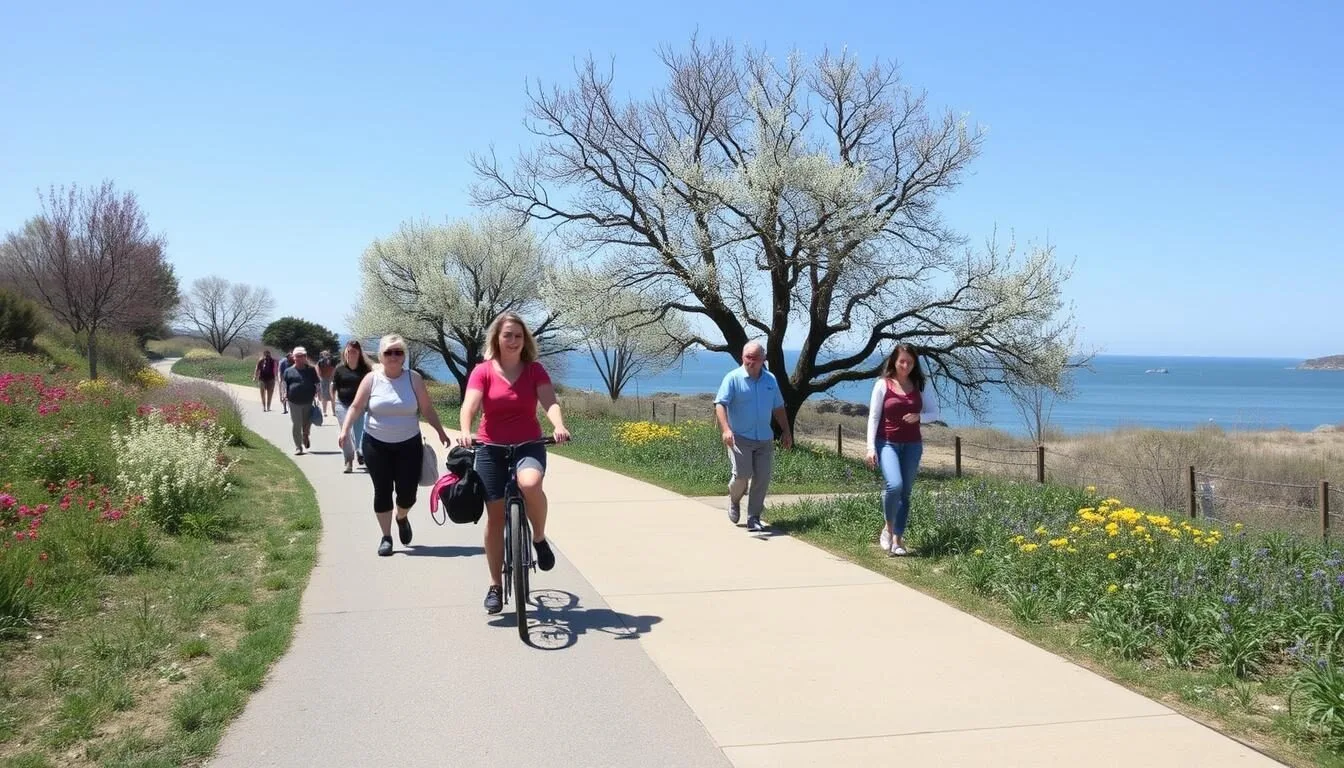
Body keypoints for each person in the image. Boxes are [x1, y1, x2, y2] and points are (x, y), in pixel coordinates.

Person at [456, 312, 570, 615]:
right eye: (507, 335)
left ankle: (539, 537)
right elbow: (470, 404)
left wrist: (558, 425)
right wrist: (465, 432)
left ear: (525, 340)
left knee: (530, 483)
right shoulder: (483, 371)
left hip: (528, 444)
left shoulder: (534, 371)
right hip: (490, 447)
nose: (513, 341)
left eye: (518, 336)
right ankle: (495, 585)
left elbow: (549, 402)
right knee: (495, 517)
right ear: (497, 338)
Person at [339, 334, 450, 557]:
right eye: (388, 352)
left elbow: (427, 409)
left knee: (407, 494)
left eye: (398, 352)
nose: (393, 356)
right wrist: (345, 430)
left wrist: (440, 431)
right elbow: (356, 407)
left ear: (403, 356)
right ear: (381, 355)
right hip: (376, 444)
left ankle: (402, 517)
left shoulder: (414, 379)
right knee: (382, 491)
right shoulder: (371, 379)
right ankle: (386, 537)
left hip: (409, 444)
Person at [865, 344, 940, 557]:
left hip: (913, 444)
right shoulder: (882, 384)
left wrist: (919, 417)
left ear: (914, 363)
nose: (905, 365)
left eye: (909, 361)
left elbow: (935, 412)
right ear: (894, 362)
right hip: (887, 442)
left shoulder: (920, 385)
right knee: (894, 485)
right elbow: (873, 417)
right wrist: (871, 448)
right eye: (901, 361)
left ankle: (898, 539)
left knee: (905, 492)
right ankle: (888, 527)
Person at [713, 342, 793, 532]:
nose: (751, 361)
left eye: (755, 358)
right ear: (743, 357)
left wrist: (786, 432)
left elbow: (779, 408)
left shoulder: (770, 380)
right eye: (748, 357)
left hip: (764, 438)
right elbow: (720, 404)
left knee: (762, 478)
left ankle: (753, 517)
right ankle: (734, 499)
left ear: (763, 359)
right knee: (742, 475)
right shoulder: (732, 378)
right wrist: (726, 429)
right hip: (739, 437)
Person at [331, 340, 373, 473]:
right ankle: (348, 460)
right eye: (349, 351)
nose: (351, 354)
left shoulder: (365, 370)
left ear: (359, 353)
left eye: (354, 351)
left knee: (360, 434)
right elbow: (333, 387)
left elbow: (371, 388)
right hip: (342, 405)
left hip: (360, 406)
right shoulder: (340, 369)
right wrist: (333, 403)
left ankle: (360, 452)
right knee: (346, 434)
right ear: (345, 352)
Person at [282, 347, 320, 455]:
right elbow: (285, 385)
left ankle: (305, 436)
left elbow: (317, 383)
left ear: (305, 357)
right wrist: (284, 394)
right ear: (293, 358)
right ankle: (298, 447)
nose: (300, 358)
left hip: (308, 401)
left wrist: (318, 393)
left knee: (306, 424)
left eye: (302, 356)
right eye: (298, 356)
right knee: (296, 424)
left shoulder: (311, 370)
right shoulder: (288, 371)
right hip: (293, 401)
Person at [316, 350, 337, 417]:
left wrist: (332, 377)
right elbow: (318, 370)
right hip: (323, 380)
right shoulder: (320, 362)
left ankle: (334, 411)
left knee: (332, 396)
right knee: (324, 396)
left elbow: (334, 369)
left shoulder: (332, 361)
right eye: (324, 354)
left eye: (327, 354)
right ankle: (324, 412)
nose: (326, 355)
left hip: (330, 379)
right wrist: (320, 378)